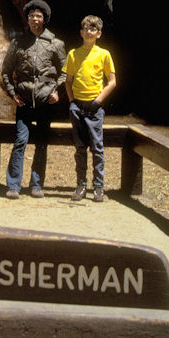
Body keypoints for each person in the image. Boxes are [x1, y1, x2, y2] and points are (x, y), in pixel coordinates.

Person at [2, 0, 66, 199]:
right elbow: (5, 72)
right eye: (31, 16)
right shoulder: (18, 43)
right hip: (24, 100)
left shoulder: (55, 44)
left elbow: (65, 72)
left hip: (46, 101)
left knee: (41, 142)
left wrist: (57, 92)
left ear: (44, 19)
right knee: (20, 140)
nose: (34, 19)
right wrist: (13, 94)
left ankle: (37, 184)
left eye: (38, 16)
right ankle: (13, 185)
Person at [64, 14, 116, 203]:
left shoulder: (104, 54)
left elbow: (112, 81)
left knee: (97, 147)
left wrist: (98, 100)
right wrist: (72, 102)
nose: (89, 31)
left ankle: (99, 186)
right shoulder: (73, 54)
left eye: (93, 29)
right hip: (77, 106)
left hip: (95, 108)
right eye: (85, 28)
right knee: (80, 148)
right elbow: (68, 82)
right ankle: (81, 184)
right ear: (81, 32)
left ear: (99, 33)